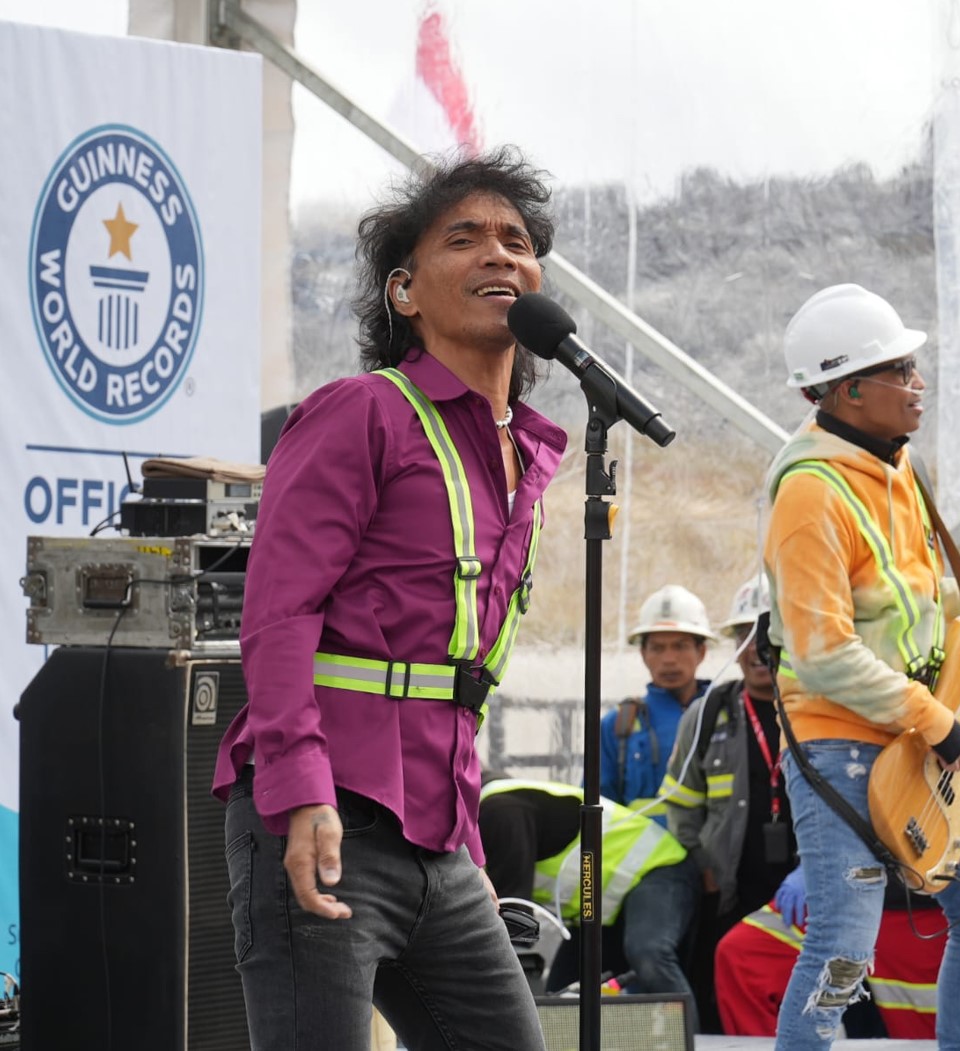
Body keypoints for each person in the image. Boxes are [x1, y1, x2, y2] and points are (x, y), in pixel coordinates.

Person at [212, 148, 565, 1051]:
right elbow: (278, 613)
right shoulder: (361, 411)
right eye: (466, 238)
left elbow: (459, 678)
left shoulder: (522, 458)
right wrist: (297, 793)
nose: (500, 255)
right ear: (404, 292)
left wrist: (470, 850)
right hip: (328, 812)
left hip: (441, 847)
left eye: (517, 242)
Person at [763, 283, 960, 1051]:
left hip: (917, 743)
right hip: (842, 744)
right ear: (848, 387)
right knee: (843, 946)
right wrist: (941, 723)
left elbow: (923, 606)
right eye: (902, 370)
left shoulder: (899, 471)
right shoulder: (810, 494)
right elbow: (824, 652)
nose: (917, 385)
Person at [661, 573, 797, 1032]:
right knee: (725, 1005)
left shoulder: (815, 709)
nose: (758, 648)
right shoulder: (708, 713)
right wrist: (703, 867)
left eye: (771, 634)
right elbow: (680, 806)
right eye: (745, 635)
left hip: (804, 894)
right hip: (727, 893)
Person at [476, 777, 695, 997]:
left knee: (649, 954)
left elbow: (515, 922)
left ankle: (688, 1031)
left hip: (658, 867)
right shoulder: (491, 812)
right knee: (559, 998)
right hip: (603, 910)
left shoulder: (500, 811)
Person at [714, 861, 946, 1039]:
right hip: (838, 892)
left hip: (917, 904)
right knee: (742, 952)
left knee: (929, 1031)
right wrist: (809, 863)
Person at [601, 584, 717, 816]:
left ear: (701, 652)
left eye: (680, 646)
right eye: (657, 648)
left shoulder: (726, 714)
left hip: (715, 852)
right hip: (642, 853)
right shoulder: (617, 725)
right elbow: (598, 811)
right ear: (643, 654)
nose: (669, 659)